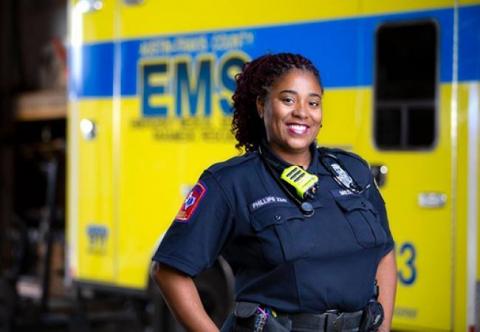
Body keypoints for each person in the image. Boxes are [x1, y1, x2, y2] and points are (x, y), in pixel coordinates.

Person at [150, 53, 397, 332]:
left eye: (313, 102)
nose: (302, 112)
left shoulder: (351, 171)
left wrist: (382, 327)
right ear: (261, 105)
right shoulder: (231, 182)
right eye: (288, 100)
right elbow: (169, 271)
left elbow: (385, 252)